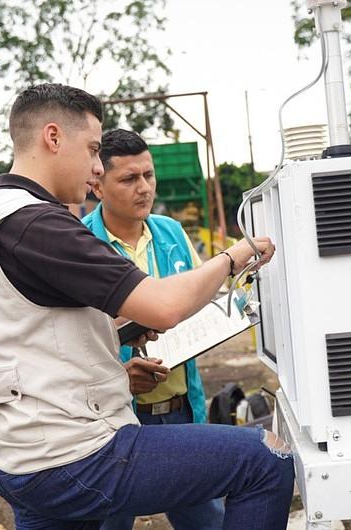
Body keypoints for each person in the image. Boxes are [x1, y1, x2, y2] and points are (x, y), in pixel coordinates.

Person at [0, 82, 294, 530]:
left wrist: (119, 330)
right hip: (72, 456)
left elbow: (33, 328)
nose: (96, 167)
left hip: (15, 453)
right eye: (94, 149)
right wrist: (235, 256)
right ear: (53, 138)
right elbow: (165, 306)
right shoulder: (38, 222)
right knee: (265, 460)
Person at [82, 129, 224, 530]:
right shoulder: (79, 243)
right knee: (109, 523)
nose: (143, 188)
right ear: (96, 184)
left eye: (148, 175)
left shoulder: (172, 233)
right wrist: (118, 375)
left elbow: (198, 302)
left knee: (206, 520)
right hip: (111, 422)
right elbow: (70, 341)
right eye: (129, 179)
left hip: (181, 411)